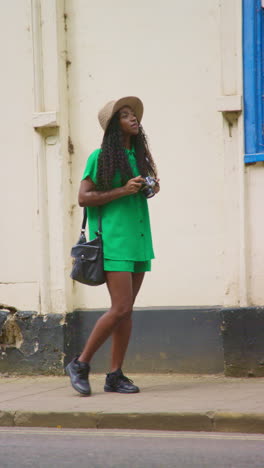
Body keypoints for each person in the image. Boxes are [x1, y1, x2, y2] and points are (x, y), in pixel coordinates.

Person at [66, 96, 159, 396]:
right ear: (113, 126)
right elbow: (83, 198)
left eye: (134, 115)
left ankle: (115, 375)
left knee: (127, 311)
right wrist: (122, 189)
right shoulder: (99, 156)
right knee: (119, 307)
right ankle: (80, 363)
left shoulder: (140, 155)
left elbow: (148, 186)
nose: (134, 119)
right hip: (113, 242)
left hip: (139, 239)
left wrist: (151, 186)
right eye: (125, 115)